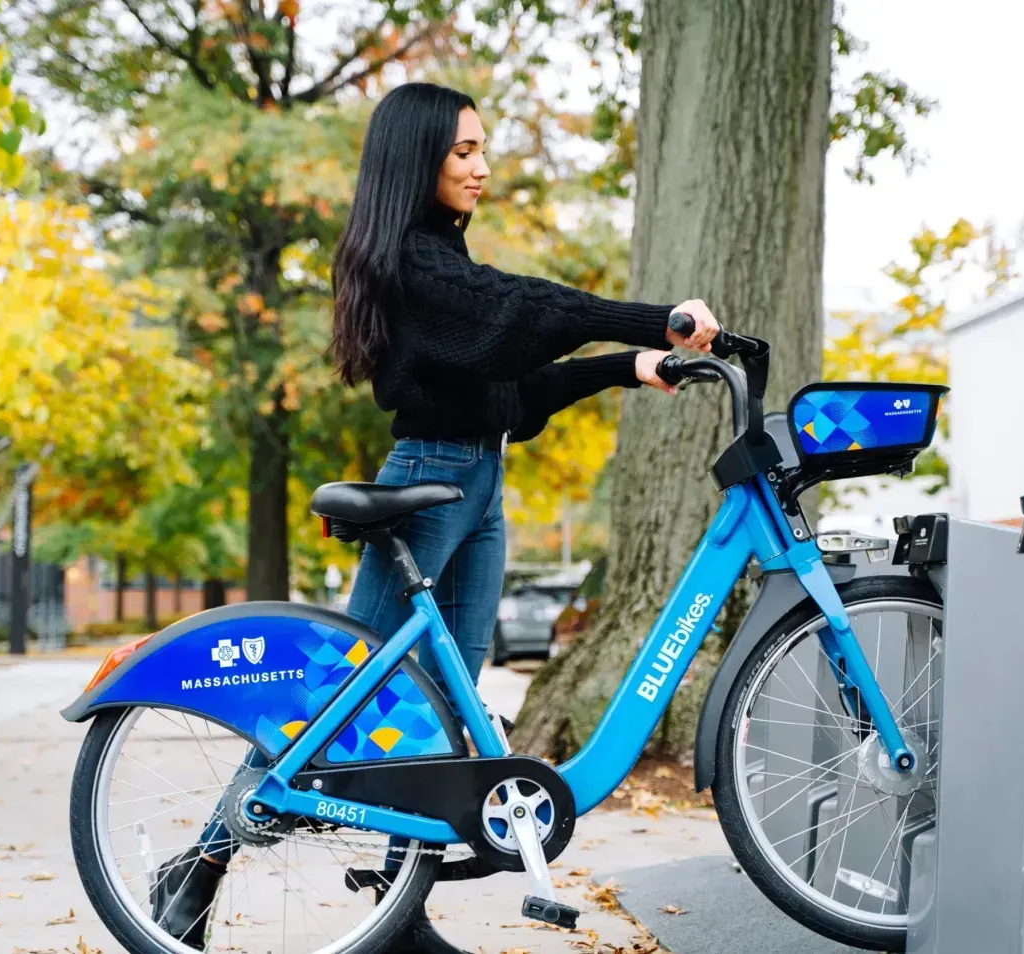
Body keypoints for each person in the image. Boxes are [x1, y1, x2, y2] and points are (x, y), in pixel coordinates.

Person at [149, 81, 719, 952]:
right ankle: (197, 872)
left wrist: (629, 364)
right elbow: (524, 310)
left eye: (483, 149)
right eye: (464, 152)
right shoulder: (416, 262)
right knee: (333, 696)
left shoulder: (443, 266)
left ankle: (400, 914)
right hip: (430, 476)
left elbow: (516, 390)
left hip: (479, 480)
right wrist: (656, 317)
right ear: (418, 159)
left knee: (446, 712)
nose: (482, 167)